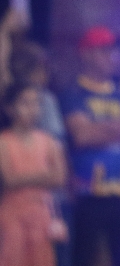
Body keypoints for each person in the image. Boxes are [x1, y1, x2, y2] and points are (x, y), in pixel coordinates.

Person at [60, 26, 120, 266]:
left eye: (114, 51)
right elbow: (82, 136)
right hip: (88, 193)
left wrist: (99, 128)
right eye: (105, 50)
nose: (113, 56)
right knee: (87, 257)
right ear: (86, 54)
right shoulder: (72, 92)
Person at [0, 83, 68, 266]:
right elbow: (9, 180)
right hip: (12, 214)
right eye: (25, 103)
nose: (32, 109)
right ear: (9, 108)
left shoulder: (48, 141)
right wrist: (44, 176)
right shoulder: (4, 142)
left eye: (36, 103)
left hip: (41, 215)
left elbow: (59, 178)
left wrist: (26, 179)